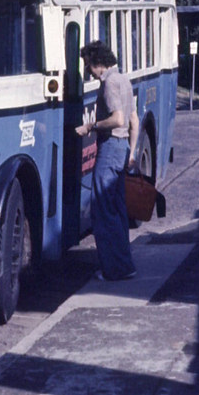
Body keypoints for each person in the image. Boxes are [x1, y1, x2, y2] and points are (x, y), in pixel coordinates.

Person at [75, 40, 137, 281]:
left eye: (88, 65)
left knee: (102, 210)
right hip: (121, 149)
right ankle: (124, 264)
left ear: (97, 63)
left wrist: (91, 126)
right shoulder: (123, 79)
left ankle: (114, 269)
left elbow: (119, 119)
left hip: (110, 146)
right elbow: (134, 120)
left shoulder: (110, 83)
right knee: (118, 209)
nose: (88, 71)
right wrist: (131, 153)